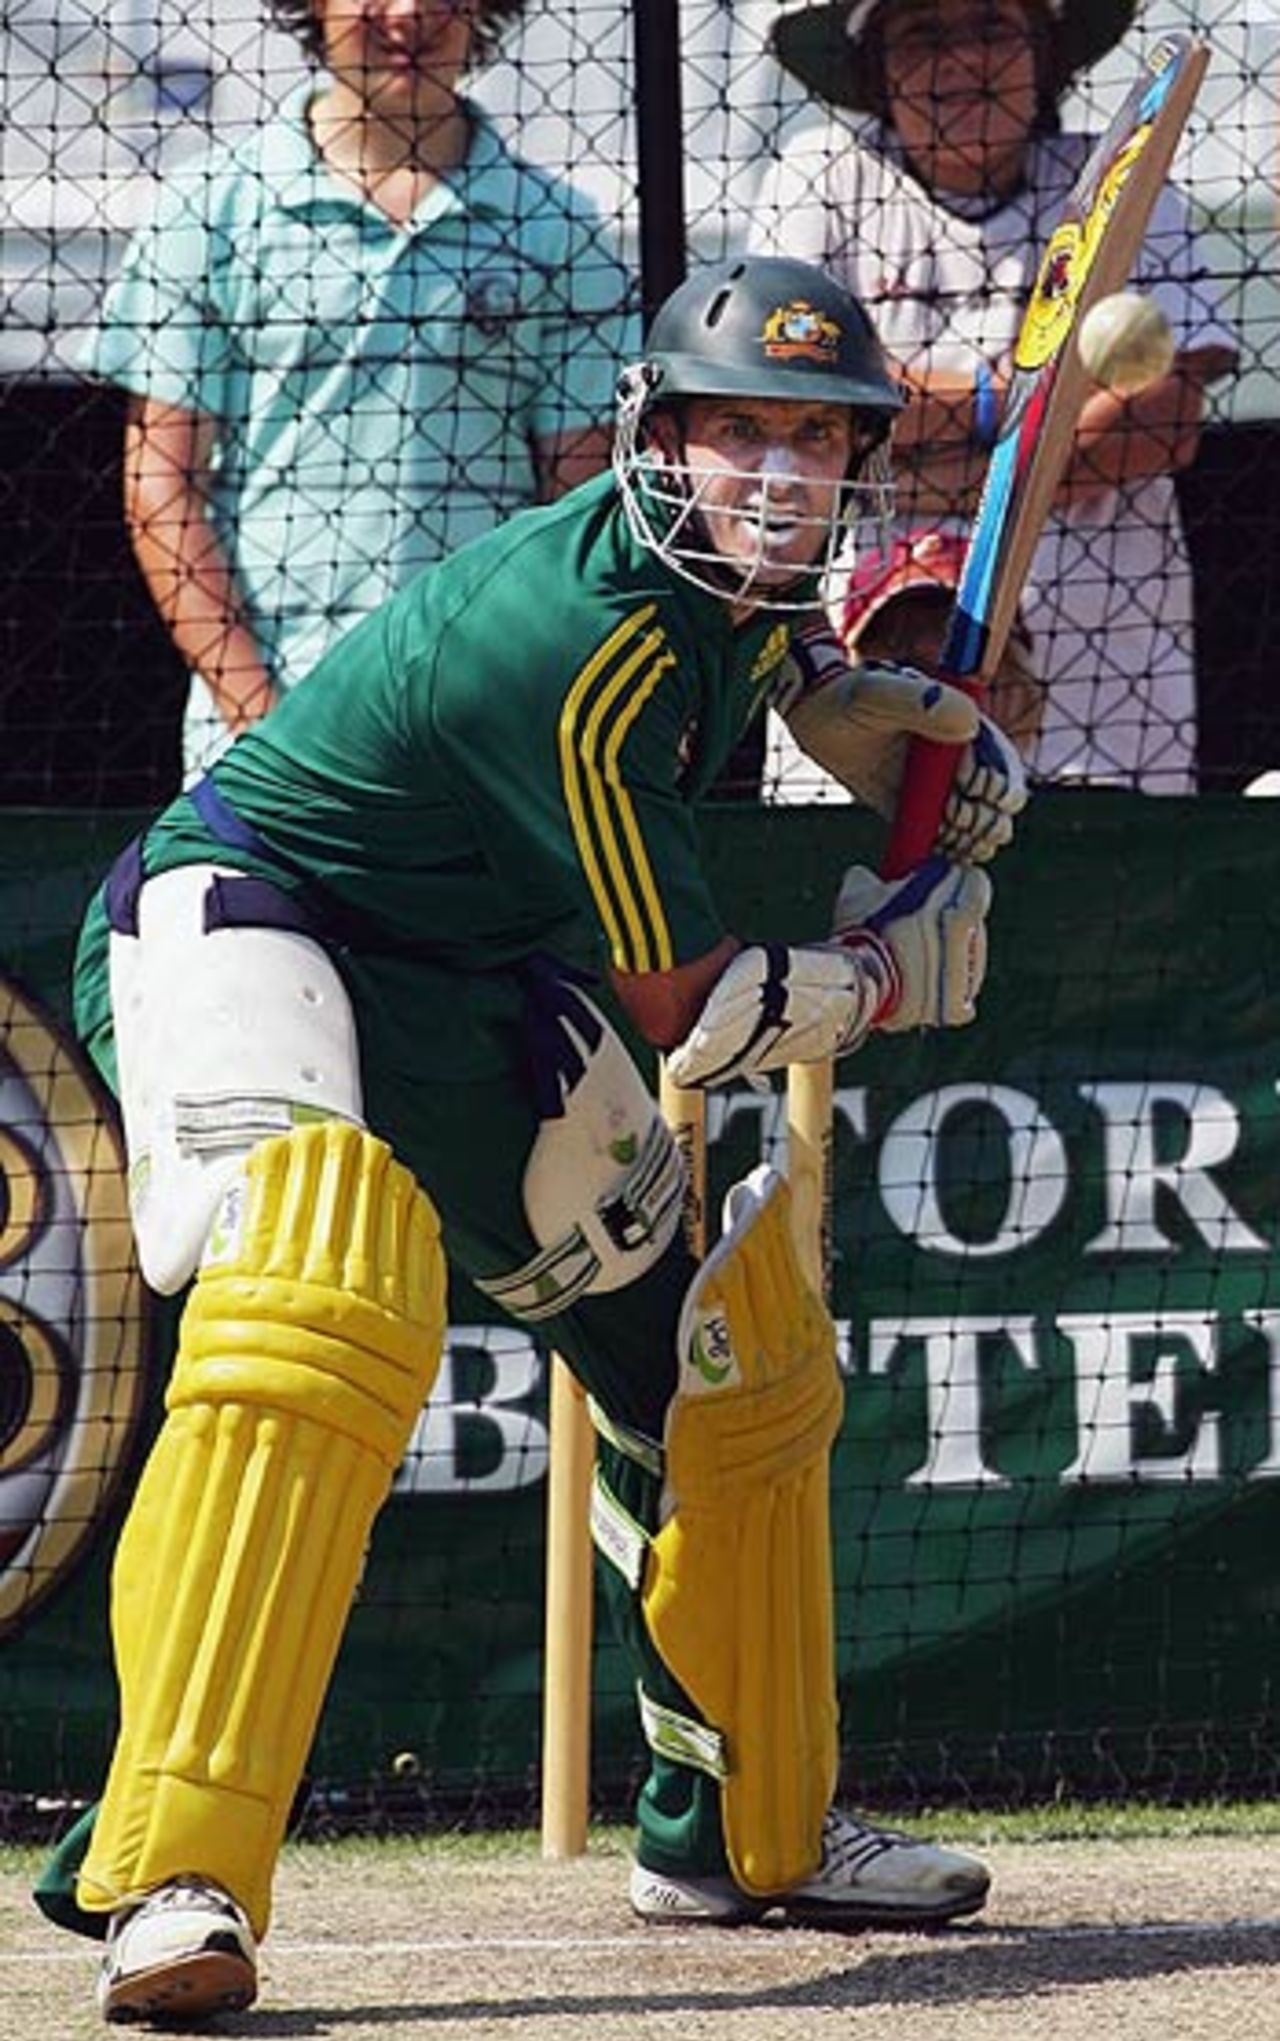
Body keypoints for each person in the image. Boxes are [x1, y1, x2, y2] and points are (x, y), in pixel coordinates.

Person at [41, 255, 1027, 2028]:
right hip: (261, 915)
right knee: (311, 1283)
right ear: (656, 438)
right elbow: (694, 1014)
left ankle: (740, 1830)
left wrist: (850, 714)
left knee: (725, 1371)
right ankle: (168, 1868)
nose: (783, 476)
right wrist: (884, 972)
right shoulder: (573, 646)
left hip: (477, 973)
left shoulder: (725, 606)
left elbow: (764, 668)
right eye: (742, 434)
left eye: (821, 438)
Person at [83, 0, 635, 783]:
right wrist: (266, 729)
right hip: (254, 759)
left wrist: (511, 704)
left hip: (476, 751)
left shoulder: (561, 232)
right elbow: (162, 489)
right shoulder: (209, 211)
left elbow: (576, 511)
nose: (408, 12)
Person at [752, 0, 1239, 795]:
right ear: (873, 65)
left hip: (1106, 697)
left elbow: (1164, 425)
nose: (962, 61)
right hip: (854, 688)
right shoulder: (821, 177)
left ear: (1045, 51)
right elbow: (802, 404)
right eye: (922, 36)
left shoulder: (1125, 180)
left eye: (992, 26)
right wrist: (1020, 403)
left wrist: (890, 464)